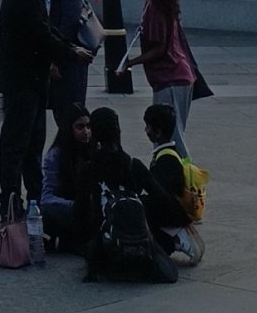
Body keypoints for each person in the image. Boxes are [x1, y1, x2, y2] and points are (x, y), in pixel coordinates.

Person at [0, 0, 92, 215]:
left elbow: (46, 30)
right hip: (23, 81)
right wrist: (70, 53)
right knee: (17, 145)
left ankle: (35, 200)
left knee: (32, 145)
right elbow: (40, 36)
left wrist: (70, 47)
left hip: (34, 81)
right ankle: (12, 203)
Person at [75, 106, 187, 285]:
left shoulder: (89, 168)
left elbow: (79, 214)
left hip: (104, 253)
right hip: (139, 245)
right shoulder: (133, 165)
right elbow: (167, 203)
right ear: (117, 132)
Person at [127, 0, 198, 155]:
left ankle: (184, 180)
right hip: (173, 77)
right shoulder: (161, 1)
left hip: (171, 78)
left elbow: (160, 49)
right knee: (167, 138)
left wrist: (131, 62)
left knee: (170, 139)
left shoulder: (156, 6)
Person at [144, 102, 207, 266]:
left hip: (173, 214)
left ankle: (176, 235)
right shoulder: (171, 153)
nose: (146, 131)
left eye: (148, 127)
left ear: (157, 132)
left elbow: (162, 194)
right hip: (176, 211)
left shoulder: (165, 159)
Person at [43, 0, 91, 124]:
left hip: (68, 59)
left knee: (70, 113)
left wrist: (56, 58)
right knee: (61, 113)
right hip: (62, 55)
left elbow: (69, 24)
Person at [41, 101, 92, 250]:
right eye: (80, 127)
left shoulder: (92, 150)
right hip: (69, 209)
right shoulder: (56, 156)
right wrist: (75, 205)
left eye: (89, 127)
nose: (86, 132)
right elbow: (46, 198)